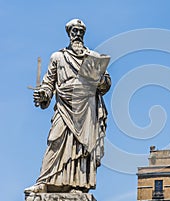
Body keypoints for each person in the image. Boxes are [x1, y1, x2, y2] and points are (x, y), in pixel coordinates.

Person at [24, 19, 111, 194]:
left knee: (81, 147)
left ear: (84, 34)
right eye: (74, 31)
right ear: (69, 34)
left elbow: (106, 83)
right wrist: (43, 94)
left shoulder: (92, 57)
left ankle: (77, 185)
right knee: (55, 141)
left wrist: (99, 79)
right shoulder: (58, 57)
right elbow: (48, 83)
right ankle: (45, 182)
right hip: (64, 106)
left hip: (86, 108)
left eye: (80, 31)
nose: (77, 35)